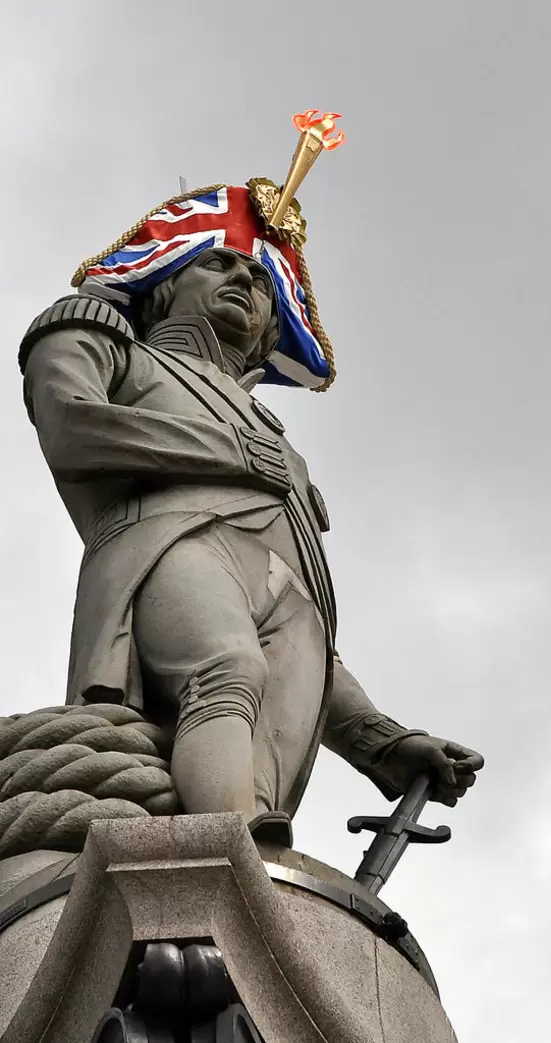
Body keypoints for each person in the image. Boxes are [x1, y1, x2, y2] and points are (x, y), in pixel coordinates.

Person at [18, 181, 483, 845]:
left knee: (266, 737)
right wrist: (232, 449)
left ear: (270, 327)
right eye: (217, 262)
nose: (243, 276)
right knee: (227, 668)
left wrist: (381, 740)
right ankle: (220, 851)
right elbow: (73, 426)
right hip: (170, 539)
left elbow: (317, 638)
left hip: (287, 596)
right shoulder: (116, 347)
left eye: (260, 280)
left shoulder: (283, 450)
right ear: (165, 285)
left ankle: (251, 864)